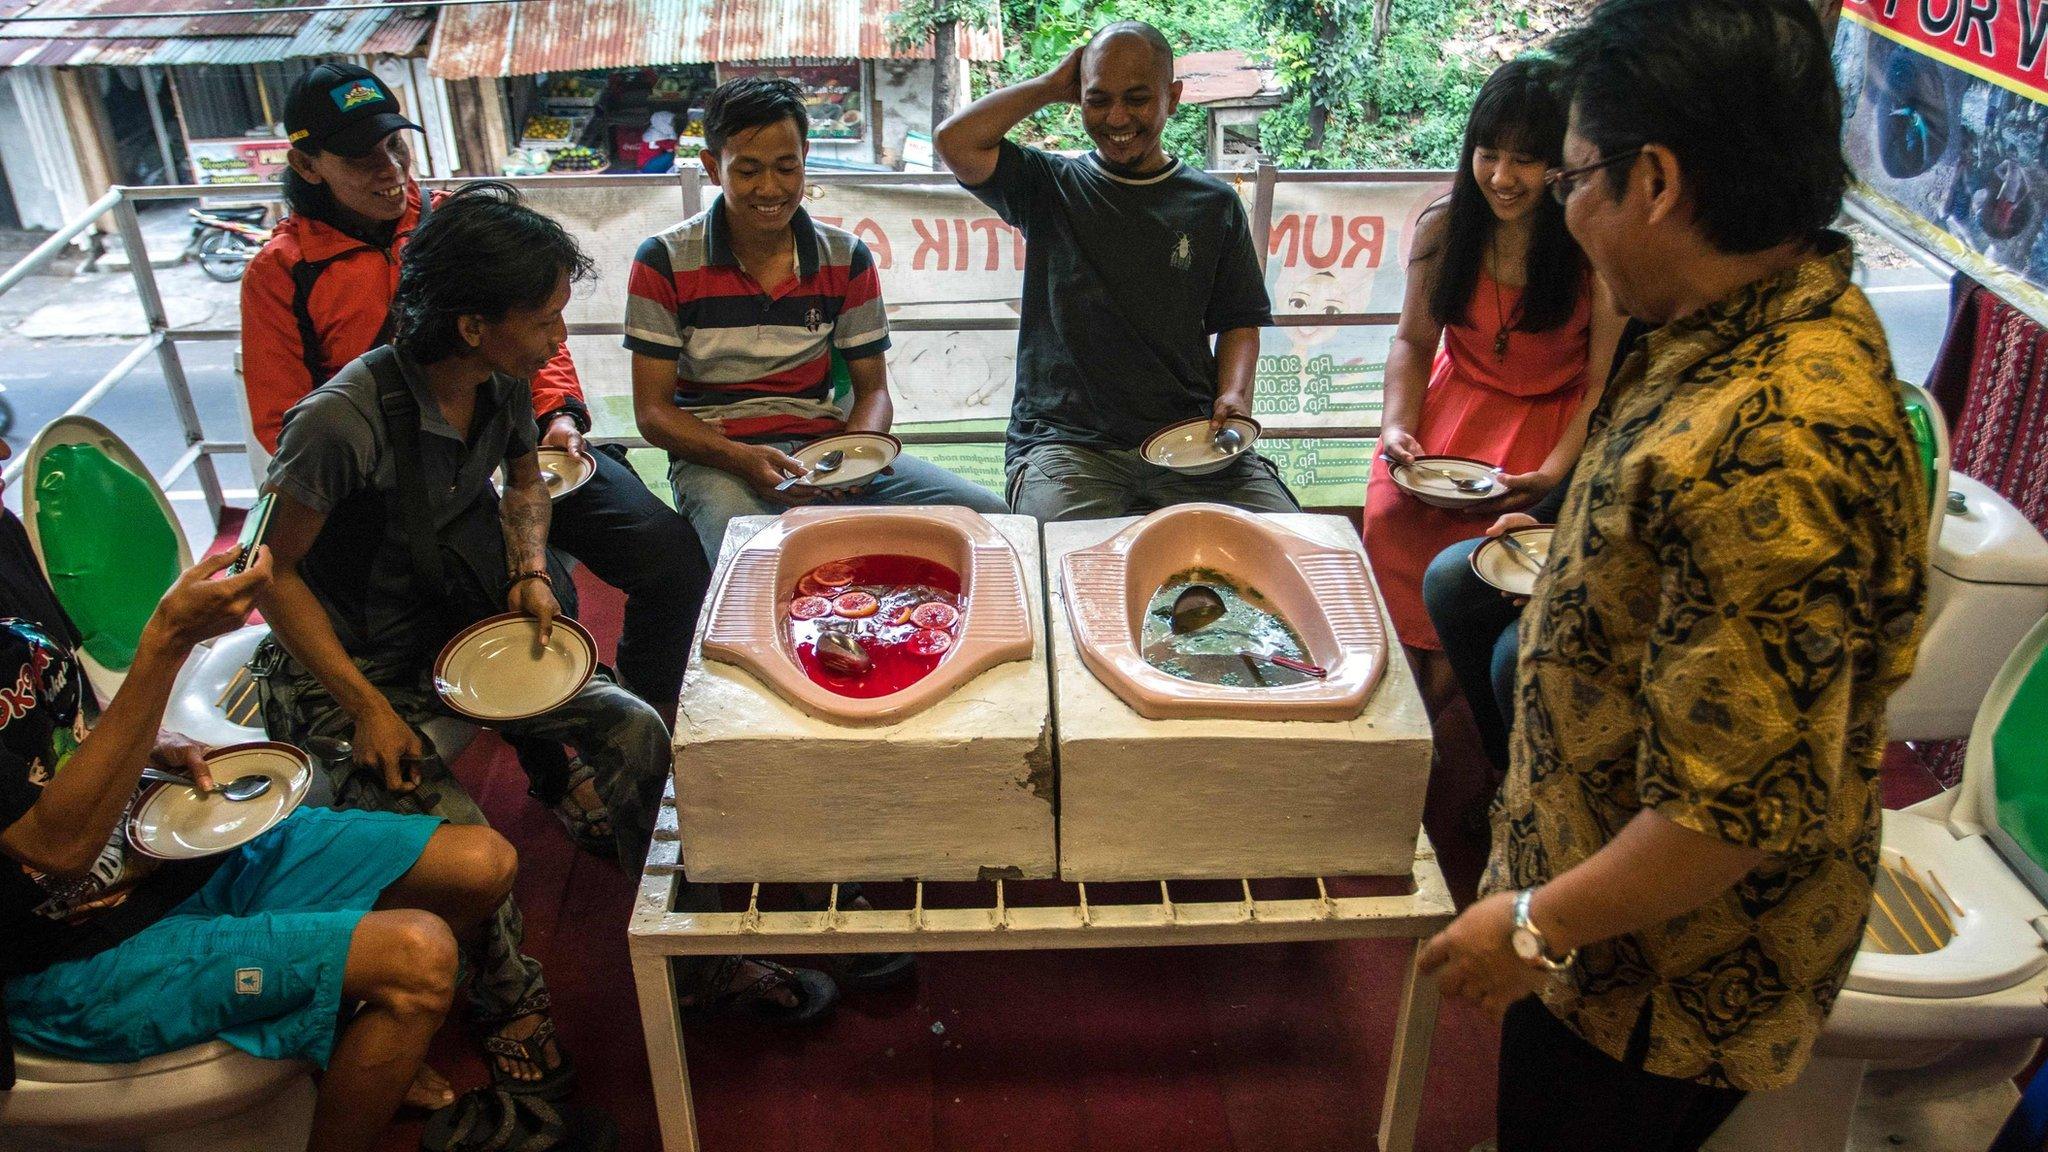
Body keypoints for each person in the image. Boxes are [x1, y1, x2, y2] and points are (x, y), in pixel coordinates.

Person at [1417, 5, 1930, 1152]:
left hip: (1659, 977)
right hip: (1609, 910)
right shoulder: (1728, 320)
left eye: (1575, 177)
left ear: (1653, 181)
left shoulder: (1781, 443)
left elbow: (1724, 814)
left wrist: (1536, 926)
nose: (1565, 211)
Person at [253, 183, 839, 1102]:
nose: (560, 340)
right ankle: (513, 1012)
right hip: (353, 670)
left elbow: (526, 482)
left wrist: (528, 568)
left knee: (639, 728)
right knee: (470, 848)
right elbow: (272, 577)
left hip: (462, 629)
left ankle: (701, 947)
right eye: (546, 318)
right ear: (475, 323)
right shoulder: (340, 422)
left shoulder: (500, 380)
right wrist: (366, 709)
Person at [241, 62, 709, 854]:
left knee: (648, 575)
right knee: (470, 861)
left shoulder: (489, 336)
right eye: (364, 159)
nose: (391, 173)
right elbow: (277, 507)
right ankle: (553, 777)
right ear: (307, 165)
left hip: (474, 518)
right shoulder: (292, 298)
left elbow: (525, 461)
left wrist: (530, 542)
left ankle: (645, 765)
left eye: (397, 148)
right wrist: (367, 708)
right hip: (378, 555)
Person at [0, 451, 522, 1152]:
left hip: (157, 850)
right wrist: (166, 644)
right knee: (418, 957)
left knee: (481, 863)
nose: (6, 451)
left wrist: (147, 741)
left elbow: (61, 707)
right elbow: (54, 850)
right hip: (58, 953)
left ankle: (342, 1035)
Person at [628, 76, 1008, 563]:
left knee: (990, 518)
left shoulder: (845, 258)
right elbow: (653, 414)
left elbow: (873, 392)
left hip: (821, 448)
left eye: (786, 167)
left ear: (805, 155)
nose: (771, 188)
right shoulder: (662, 260)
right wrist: (743, 460)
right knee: (757, 562)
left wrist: (855, 455)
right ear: (711, 166)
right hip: (716, 458)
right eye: (748, 171)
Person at [935, 21, 1299, 522]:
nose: (1117, 117)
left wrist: (1234, 395)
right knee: (1066, 574)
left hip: (1191, 440)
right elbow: (955, 141)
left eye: (1137, 98)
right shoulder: (1050, 185)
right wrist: (1047, 86)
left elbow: (1239, 320)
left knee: (1295, 544)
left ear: (1172, 98)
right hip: (1064, 447)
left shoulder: (1213, 204)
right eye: (1098, 100)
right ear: (1077, 99)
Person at [1364, 56, 1625, 729]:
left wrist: (1550, 477)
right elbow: (1414, 343)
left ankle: (1432, 724)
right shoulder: (1445, 229)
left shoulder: (1589, 251)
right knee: (1395, 515)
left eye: (1526, 161)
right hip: (1451, 413)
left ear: (1561, 166)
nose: (1503, 178)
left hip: (1548, 427)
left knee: (1485, 549)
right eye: (1489, 155)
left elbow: (1601, 386)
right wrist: (1398, 427)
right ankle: (1415, 710)